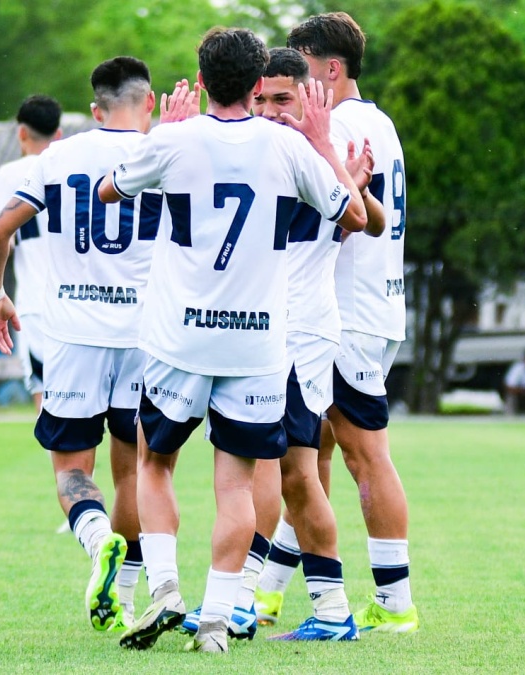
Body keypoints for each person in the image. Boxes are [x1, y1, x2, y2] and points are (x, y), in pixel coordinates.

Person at [98, 28, 370, 653]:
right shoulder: (286, 146)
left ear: (201, 75)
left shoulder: (173, 138)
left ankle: (166, 589)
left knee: (154, 463)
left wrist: (161, 136)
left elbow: (110, 190)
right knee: (239, 484)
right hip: (257, 346)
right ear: (256, 85)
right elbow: (354, 217)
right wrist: (324, 145)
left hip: (179, 340)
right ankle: (218, 621)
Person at [182, 46, 383, 643]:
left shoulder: (310, 151)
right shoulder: (269, 150)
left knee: (290, 472)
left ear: (312, 98)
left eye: (284, 98)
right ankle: (295, 606)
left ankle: (286, 605)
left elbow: (361, 220)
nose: (270, 109)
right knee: (283, 471)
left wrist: (329, 153)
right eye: (262, 98)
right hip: (266, 331)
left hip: (299, 332)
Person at [0, 57, 160, 634]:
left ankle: (94, 537)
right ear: (149, 101)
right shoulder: (166, 153)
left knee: (70, 471)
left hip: (70, 339)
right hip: (144, 337)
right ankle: (128, 597)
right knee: (134, 471)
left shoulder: (53, 159)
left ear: (93, 110)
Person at [279, 12, 420, 635]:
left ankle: (394, 606)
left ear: (328, 68)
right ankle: (267, 591)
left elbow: (354, 213)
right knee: (312, 455)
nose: (293, 88)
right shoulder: (379, 122)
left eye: (302, 71)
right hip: (377, 305)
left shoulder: (333, 125)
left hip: (347, 313)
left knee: (361, 456)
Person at [0, 95, 62, 411]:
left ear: (21, 133)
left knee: (46, 397)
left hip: (34, 303)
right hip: (78, 300)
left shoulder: (9, 174)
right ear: (58, 135)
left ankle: (62, 464)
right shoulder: (70, 166)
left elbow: (0, 238)